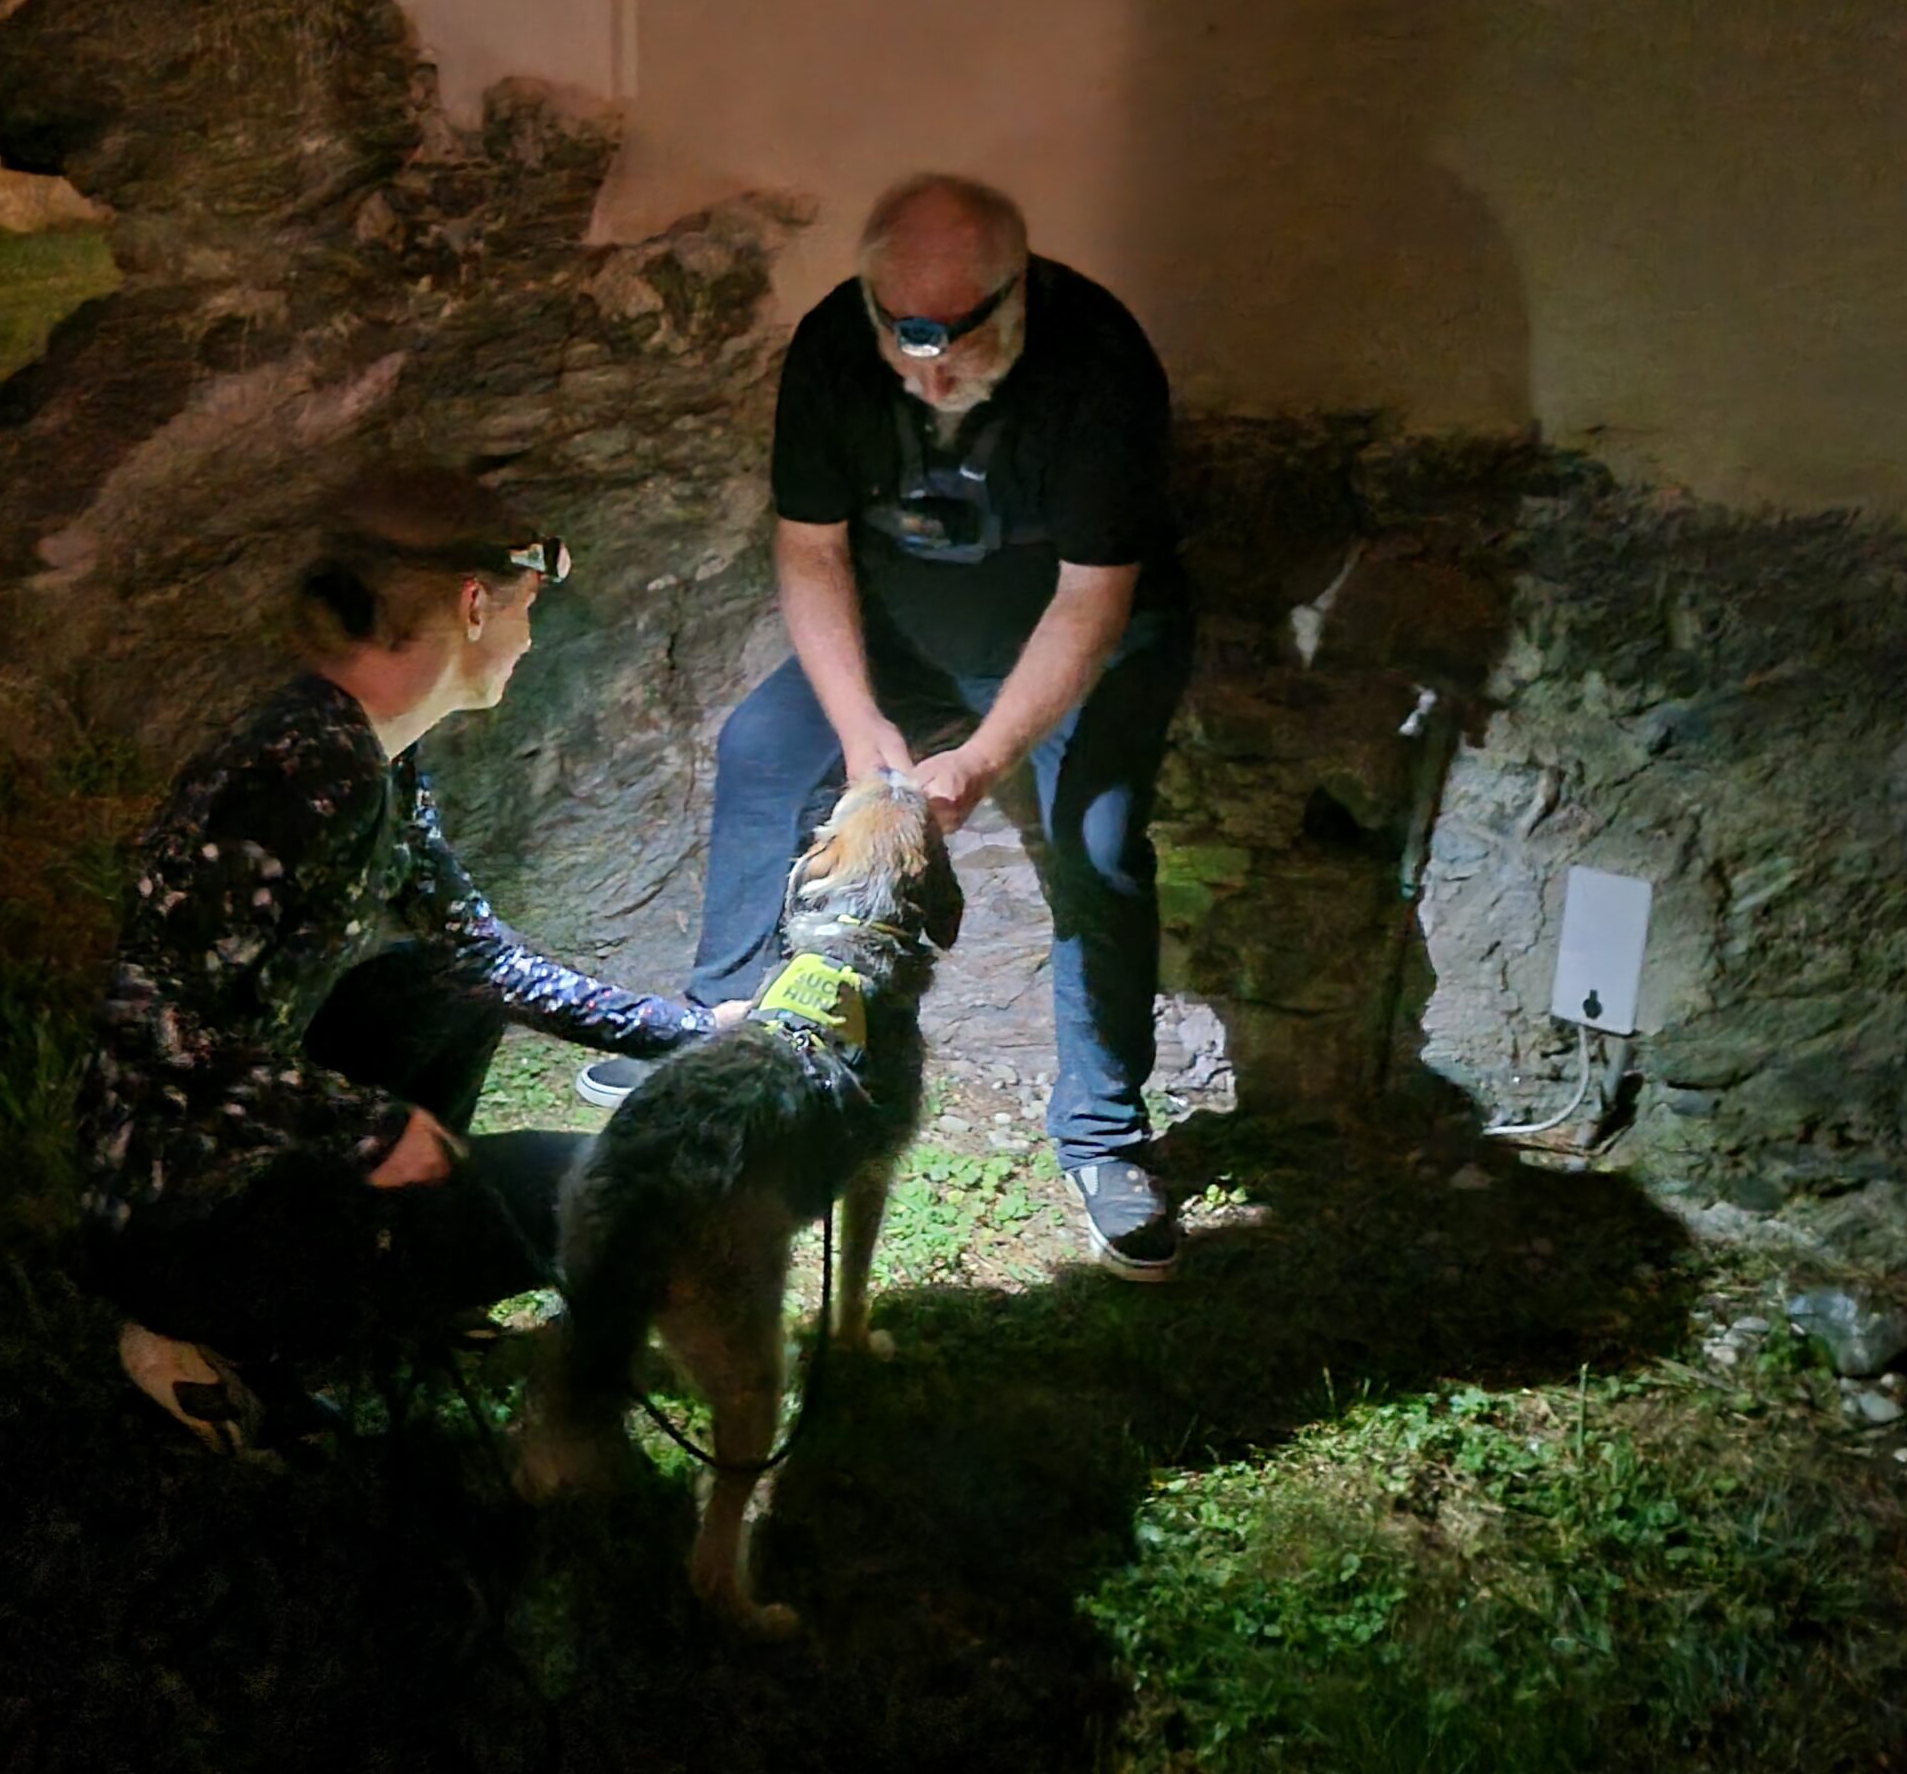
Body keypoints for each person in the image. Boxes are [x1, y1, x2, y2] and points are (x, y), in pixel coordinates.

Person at [579, 174, 1194, 1280]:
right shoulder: (832, 349)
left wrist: (984, 757)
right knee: (764, 752)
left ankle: (1103, 1133)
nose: (929, 376)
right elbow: (811, 548)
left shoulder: (1098, 364)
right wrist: (861, 721)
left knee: (1098, 840)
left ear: (1019, 293)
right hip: (907, 625)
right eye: (904, 342)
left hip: (1078, 637)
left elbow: (1092, 597)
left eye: (960, 345)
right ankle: (716, 1033)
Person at [80, 467, 736, 1455]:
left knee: (443, 987)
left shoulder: (369, 748)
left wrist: (687, 1034)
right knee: (609, 1187)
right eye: (527, 605)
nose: (530, 636)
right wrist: (372, 1129)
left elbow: (478, 958)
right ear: (474, 605)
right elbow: (146, 1028)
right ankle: (209, 1326)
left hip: (248, 1125)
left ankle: (395, 1274)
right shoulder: (304, 776)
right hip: (179, 1211)